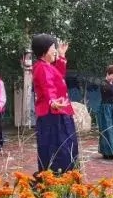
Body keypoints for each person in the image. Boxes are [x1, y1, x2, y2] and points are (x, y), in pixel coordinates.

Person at [31, 34, 78, 174]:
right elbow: (48, 86)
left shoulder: (47, 66)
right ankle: (57, 181)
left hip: (59, 113)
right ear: (44, 50)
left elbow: (58, 76)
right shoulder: (41, 68)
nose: (55, 51)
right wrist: (52, 102)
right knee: (59, 151)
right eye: (53, 48)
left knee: (66, 148)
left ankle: (64, 180)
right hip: (53, 116)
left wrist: (62, 56)